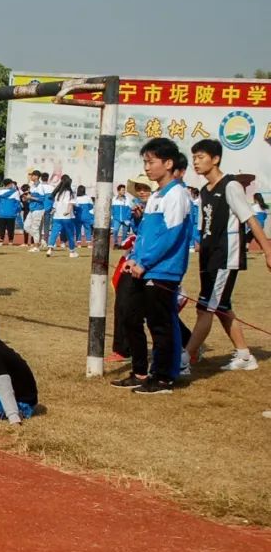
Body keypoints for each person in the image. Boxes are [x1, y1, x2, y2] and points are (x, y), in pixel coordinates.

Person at [181, 139, 271, 375]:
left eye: (201, 157)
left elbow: (249, 219)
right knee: (221, 306)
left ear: (216, 159)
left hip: (225, 257)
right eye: (194, 158)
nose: (196, 162)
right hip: (209, 257)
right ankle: (243, 355)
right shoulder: (203, 191)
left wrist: (268, 251)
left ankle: (184, 358)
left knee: (205, 308)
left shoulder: (230, 186)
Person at [111, 138, 192, 395]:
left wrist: (144, 262)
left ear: (168, 164)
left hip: (161, 270)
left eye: (151, 162)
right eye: (145, 162)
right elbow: (147, 233)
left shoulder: (177, 194)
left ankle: (164, 377)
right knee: (128, 315)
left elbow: (171, 235)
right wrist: (134, 258)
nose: (146, 167)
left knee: (160, 324)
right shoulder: (157, 194)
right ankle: (139, 371)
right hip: (139, 266)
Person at [106, 174, 154, 363]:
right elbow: (138, 231)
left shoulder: (163, 204)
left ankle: (189, 342)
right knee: (123, 304)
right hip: (134, 260)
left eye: (146, 188)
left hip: (151, 263)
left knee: (157, 311)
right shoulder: (138, 207)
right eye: (140, 188)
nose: (142, 191)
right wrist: (137, 219)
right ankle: (122, 349)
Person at [46, 174, 78, 258]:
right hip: (67, 217)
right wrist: (67, 211)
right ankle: (72, 251)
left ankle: (49, 249)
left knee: (54, 233)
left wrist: (53, 210)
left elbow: (55, 205)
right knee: (70, 234)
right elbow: (71, 204)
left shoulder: (58, 193)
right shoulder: (71, 193)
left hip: (57, 216)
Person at [0, 179, 20, 246]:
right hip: (11, 214)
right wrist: (16, 211)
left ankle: (1, 241)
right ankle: (10, 241)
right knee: (11, 228)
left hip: (1, 213)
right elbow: (17, 203)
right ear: (10, 184)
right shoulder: (15, 192)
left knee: (1, 228)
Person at [25, 170, 46, 250]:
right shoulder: (32, 186)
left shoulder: (40, 186)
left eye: (32, 175)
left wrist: (31, 197)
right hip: (32, 209)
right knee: (26, 226)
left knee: (35, 228)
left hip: (38, 209)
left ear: (36, 176)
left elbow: (42, 199)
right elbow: (31, 197)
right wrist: (27, 198)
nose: (31, 177)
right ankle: (40, 241)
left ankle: (36, 246)